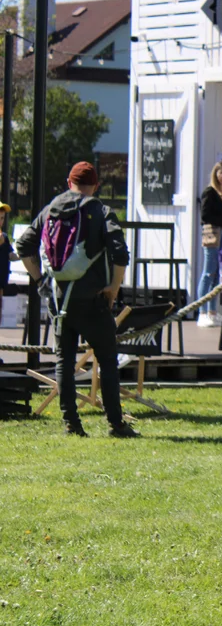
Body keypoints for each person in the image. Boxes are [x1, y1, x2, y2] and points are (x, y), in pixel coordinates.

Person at [16, 162, 136, 438]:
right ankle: (116, 424)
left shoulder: (50, 209)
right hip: (93, 299)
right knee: (107, 359)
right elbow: (120, 253)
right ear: (95, 185)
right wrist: (113, 288)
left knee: (64, 361)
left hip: (59, 299)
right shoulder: (101, 211)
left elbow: (23, 246)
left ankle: (71, 423)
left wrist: (40, 281)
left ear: (69, 182)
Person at [197, 161, 222, 328]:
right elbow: (205, 216)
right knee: (208, 273)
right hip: (212, 235)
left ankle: (212, 312)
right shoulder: (209, 192)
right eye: (221, 172)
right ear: (215, 173)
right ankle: (202, 312)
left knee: (217, 275)